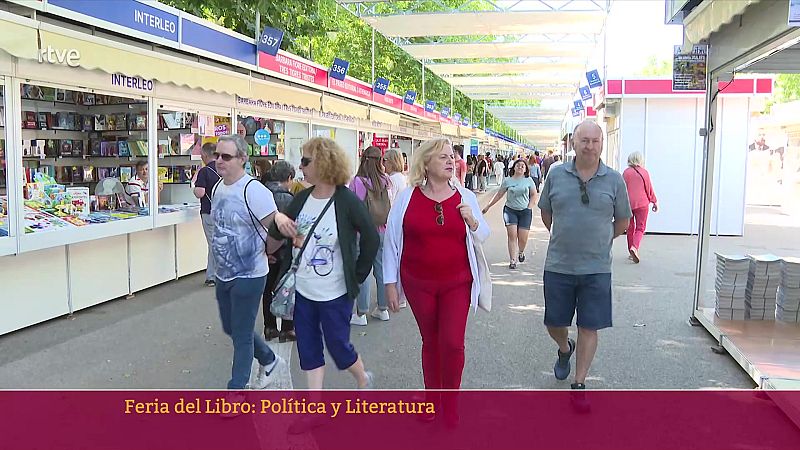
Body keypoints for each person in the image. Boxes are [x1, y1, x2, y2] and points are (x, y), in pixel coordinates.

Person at [384, 138, 490, 425]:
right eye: (443, 157)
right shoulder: (407, 197)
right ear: (426, 163)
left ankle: (450, 403)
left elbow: (484, 235)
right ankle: (433, 401)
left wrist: (474, 222)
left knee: (452, 343)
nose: (450, 161)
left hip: (457, 282)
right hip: (419, 283)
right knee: (431, 341)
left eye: (451, 157)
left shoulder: (464, 196)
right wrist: (390, 283)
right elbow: (391, 242)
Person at [270, 137, 378, 393]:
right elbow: (277, 232)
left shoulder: (347, 200)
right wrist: (279, 220)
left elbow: (371, 239)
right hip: (303, 289)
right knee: (308, 349)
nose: (300, 167)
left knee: (338, 345)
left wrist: (358, 276)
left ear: (323, 163)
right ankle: (314, 408)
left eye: (306, 161)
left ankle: (362, 377)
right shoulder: (302, 198)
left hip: (335, 292)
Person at [537, 121, 631, 411]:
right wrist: (567, 236)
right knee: (554, 322)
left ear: (602, 144)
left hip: (597, 268)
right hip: (559, 265)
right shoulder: (556, 174)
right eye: (584, 140)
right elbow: (546, 213)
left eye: (595, 141)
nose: (589, 146)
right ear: (573, 144)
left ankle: (579, 383)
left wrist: (599, 239)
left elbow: (623, 223)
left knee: (589, 325)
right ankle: (565, 348)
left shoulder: (615, 180)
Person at [210, 135, 284, 394]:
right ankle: (269, 360)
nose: (219, 161)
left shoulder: (254, 190)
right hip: (224, 273)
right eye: (217, 155)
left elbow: (277, 227)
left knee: (241, 334)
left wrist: (267, 250)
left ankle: (236, 390)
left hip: (251, 274)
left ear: (242, 159)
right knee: (232, 326)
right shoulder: (218, 187)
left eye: (226, 156)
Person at [349, 146, 392, 325]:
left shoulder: (357, 182)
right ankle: (383, 309)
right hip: (381, 230)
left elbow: (351, 208)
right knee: (381, 269)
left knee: (363, 271)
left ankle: (361, 312)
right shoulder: (385, 180)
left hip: (362, 232)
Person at [261, 161, 296, 342]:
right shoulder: (290, 199)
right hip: (285, 250)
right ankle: (287, 328)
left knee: (267, 289)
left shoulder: (261, 195)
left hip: (264, 249)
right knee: (286, 287)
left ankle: (269, 326)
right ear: (288, 178)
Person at [482, 158, 537, 269]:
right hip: (510, 210)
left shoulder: (529, 180)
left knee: (523, 238)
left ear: (526, 169)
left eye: (523, 166)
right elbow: (499, 195)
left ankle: (521, 252)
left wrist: (529, 207)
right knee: (512, 235)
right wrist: (488, 205)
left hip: (525, 211)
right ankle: (512, 260)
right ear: (514, 167)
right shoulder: (508, 181)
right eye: (518, 165)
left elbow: (534, 195)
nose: (520, 167)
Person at [193, 142, 220, 287]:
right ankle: (216, 274)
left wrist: (194, 189)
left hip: (208, 211)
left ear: (205, 155)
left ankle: (213, 276)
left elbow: (200, 192)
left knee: (213, 244)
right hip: (223, 212)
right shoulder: (225, 169)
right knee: (219, 242)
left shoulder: (204, 172)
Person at [622, 152, 658, 264]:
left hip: (628, 204)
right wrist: (654, 201)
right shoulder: (644, 172)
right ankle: (635, 247)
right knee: (640, 228)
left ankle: (630, 252)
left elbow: (621, 189)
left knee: (630, 228)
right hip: (642, 204)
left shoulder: (626, 173)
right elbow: (649, 188)